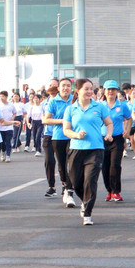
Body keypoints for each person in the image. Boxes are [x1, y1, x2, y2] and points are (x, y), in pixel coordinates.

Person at [62, 78, 112, 226]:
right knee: (76, 181)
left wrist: (108, 134)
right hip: (76, 149)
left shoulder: (99, 107)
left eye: (91, 88)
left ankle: (87, 213)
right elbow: (66, 130)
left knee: (90, 181)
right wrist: (76, 135)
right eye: (86, 89)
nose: (90, 91)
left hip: (95, 149)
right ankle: (84, 200)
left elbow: (109, 123)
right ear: (78, 91)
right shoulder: (71, 109)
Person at [45, 78, 75, 207]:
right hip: (58, 137)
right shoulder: (53, 101)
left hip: (73, 136)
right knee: (62, 165)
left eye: (68, 86)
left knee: (72, 164)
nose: (66, 88)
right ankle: (64, 184)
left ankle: (69, 192)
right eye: (63, 86)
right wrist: (63, 121)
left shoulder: (75, 100)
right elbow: (46, 120)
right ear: (58, 88)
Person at [101, 80, 132, 202]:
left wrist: (127, 131)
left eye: (113, 89)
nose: (111, 92)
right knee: (104, 166)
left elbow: (129, 119)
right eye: (108, 89)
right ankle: (109, 190)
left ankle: (116, 191)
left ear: (117, 91)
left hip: (117, 139)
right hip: (102, 139)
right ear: (104, 91)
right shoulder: (99, 106)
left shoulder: (122, 105)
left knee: (115, 165)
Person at [0, 90, 16, 162]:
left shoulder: (11, 105)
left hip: (9, 126)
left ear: (6, 97)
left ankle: (8, 155)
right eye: (0, 96)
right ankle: (3, 152)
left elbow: (15, 113)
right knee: (2, 142)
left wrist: (13, 118)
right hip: (0, 126)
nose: (2, 98)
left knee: (8, 141)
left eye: (3, 96)